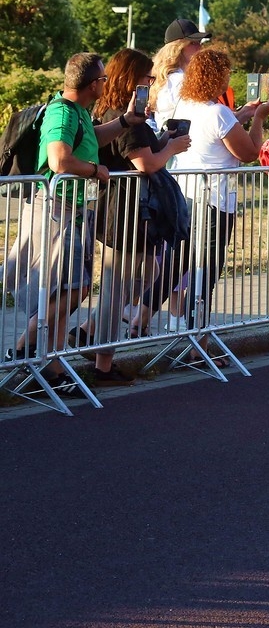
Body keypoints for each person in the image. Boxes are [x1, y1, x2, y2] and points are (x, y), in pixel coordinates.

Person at [6, 53, 147, 394]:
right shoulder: (62, 113)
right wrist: (95, 170)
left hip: (72, 209)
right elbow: (59, 159)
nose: (106, 84)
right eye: (103, 80)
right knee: (74, 289)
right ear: (93, 84)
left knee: (70, 288)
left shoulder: (78, 112)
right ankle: (28, 353)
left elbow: (91, 140)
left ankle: (51, 367)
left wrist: (125, 122)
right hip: (58, 210)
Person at [81, 49, 191, 383]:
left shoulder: (120, 114)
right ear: (132, 79)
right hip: (128, 212)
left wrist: (162, 139)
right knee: (117, 288)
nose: (152, 83)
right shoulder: (121, 114)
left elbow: (139, 153)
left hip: (128, 209)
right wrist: (170, 148)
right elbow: (143, 163)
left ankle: (89, 335)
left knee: (146, 275)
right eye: (147, 78)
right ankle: (102, 361)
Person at [159, 48, 269, 349]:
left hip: (186, 195)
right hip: (214, 200)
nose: (229, 78)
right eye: (227, 73)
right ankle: (200, 340)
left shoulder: (187, 105)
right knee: (206, 269)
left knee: (183, 263)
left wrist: (243, 115)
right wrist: (259, 119)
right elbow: (249, 152)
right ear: (216, 76)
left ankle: (154, 320)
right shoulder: (217, 112)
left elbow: (218, 129)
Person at [149, 19, 210, 127]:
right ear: (177, 48)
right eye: (192, 43)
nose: (200, 48)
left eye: (199, 43)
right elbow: (207, 121)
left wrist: (243, 113)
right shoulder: (178, 80)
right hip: (181, 140)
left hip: (174, 140)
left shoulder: (170, 77)